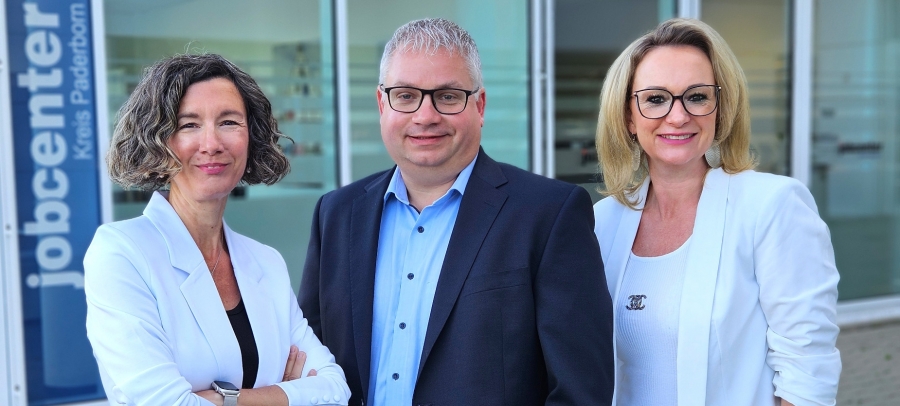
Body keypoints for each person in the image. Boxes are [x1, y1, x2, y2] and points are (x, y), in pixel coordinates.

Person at [299, 18, 614, 406]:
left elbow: (580, 392)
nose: (426, 115)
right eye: (406, 95)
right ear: (382, 104)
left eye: (448, 96)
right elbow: (308, 368)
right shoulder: (337, 215)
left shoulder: (549, 215)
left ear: (479, 106)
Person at [593, 18, 841, 405]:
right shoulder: (603, 222)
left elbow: (807, 372)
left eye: (697, 96)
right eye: (655, 98)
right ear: (628, 117)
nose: (678, 116)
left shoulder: (771, 206)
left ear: (719, 108)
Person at [84, 54, 350, 406]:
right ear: (158, 140)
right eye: (188, 125)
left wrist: (224, 398)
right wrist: (286, 394)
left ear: (250, 137)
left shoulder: (265, 262)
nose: (211, 144)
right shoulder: (121, 253)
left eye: (228, 122)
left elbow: (334, 390)